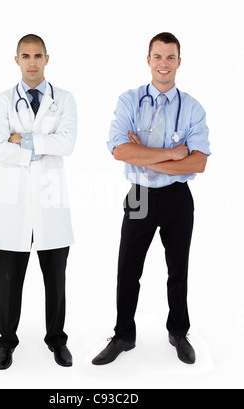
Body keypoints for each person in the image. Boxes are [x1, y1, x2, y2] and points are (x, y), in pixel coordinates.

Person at [92, 32, 211, 366]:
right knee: (128, 269)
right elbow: (119, 150)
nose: (164, 64)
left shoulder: (192, 107)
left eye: (170, 57)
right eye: (158, 57)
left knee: (178, 270)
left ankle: (178, 332)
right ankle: (123, 336)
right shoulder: (129, 101)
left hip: (177, 198)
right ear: (148, 60)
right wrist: (174, 153)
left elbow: (198, 162)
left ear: (179, 62)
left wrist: (144, 156)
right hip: (140, 195)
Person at [0, 34, 77, 370]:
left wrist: (21, 140)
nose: (32, 62)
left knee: (56, 281)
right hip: (14, 209)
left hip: (52, 205)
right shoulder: (2, 101)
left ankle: (57, 341)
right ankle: (6, 344)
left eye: (38, 55)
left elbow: (67, 144)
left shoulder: (64, 100)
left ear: (47, 58)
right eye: (25, 56)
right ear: (17, 60)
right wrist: (42, 146)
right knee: (9, 282)